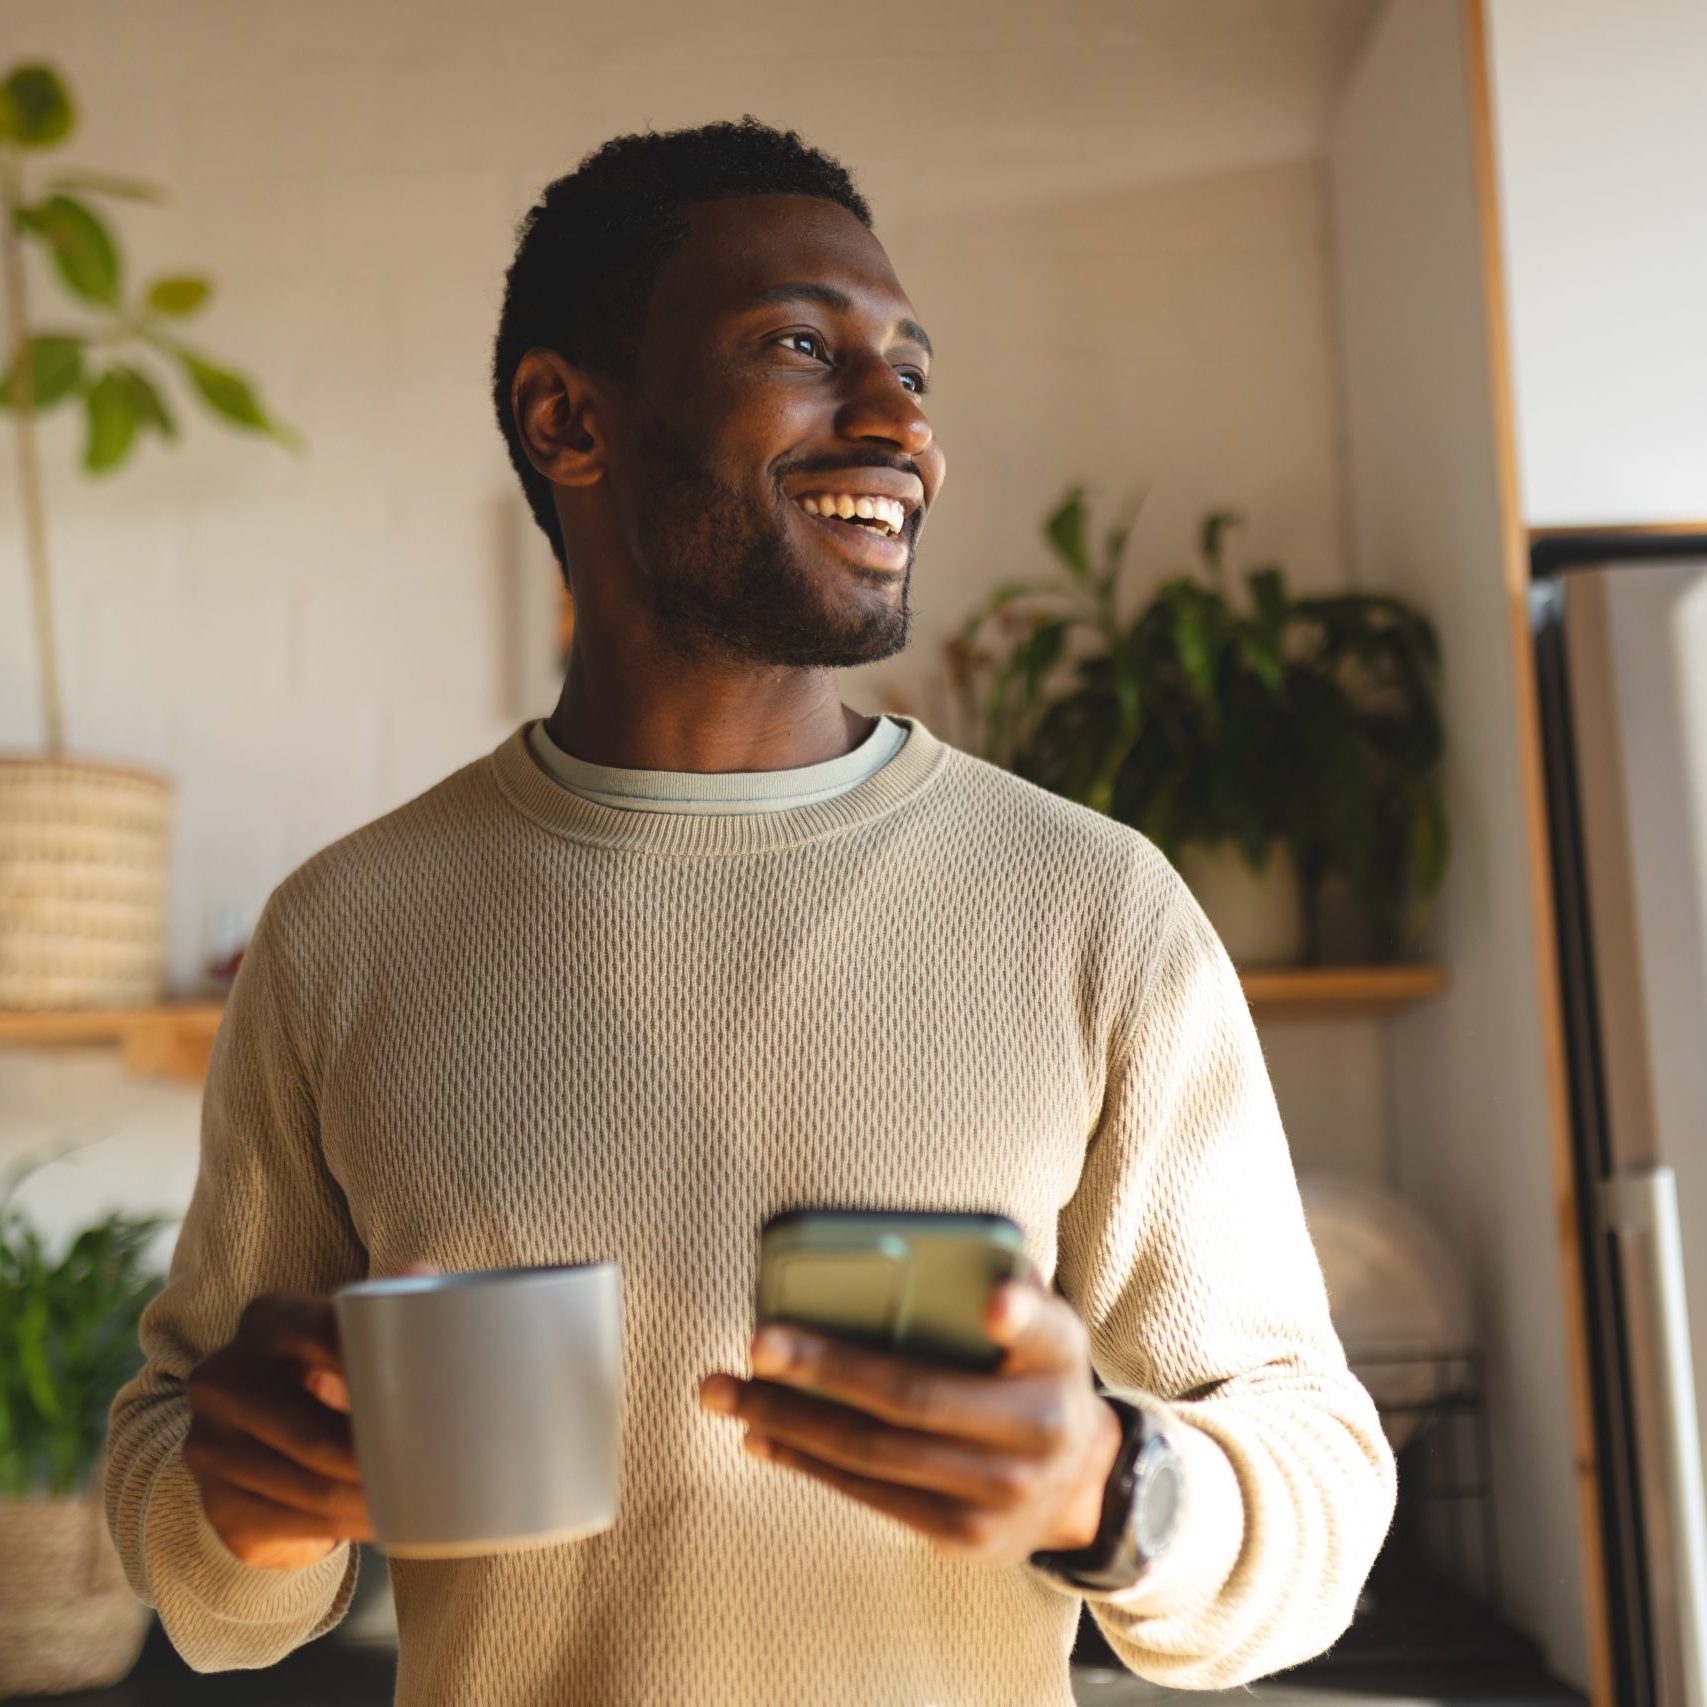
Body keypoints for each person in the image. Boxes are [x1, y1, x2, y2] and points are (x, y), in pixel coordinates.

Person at [105, 116, 1396, 1706]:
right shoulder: (345, 936)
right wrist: (247, 1508)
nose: (896, 423)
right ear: (568, 418)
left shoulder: (1095, 910)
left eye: (912, 372)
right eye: (801, 344)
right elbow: (195, 1536)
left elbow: (1318, 1485)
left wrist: (1109, 1491)